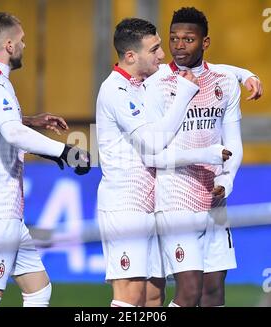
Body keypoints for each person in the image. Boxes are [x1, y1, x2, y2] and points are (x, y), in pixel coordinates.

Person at [95, 17, 238, 307]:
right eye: (157, 48)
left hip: (150, 202)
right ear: (132, 56)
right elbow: (152, 145)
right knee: (130, 297)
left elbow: (208, 68)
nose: (164, 55)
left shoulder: (142, 83)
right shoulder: (116, 91)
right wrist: (185, 96)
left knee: (153, 295)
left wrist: (246, 74)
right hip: (126, 204)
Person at [143, 7, 262, 307]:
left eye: (188, 39)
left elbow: (232, 141)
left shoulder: (223, 82)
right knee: (189, 292)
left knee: (213, 291)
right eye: (174, 39)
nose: (179, 45)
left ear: (205, 42)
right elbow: (154, 152)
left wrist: (227, 179)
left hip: (214, 199)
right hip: (175, 200)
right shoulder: (155, 84)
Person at [0, 12, 90, 307]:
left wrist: (29, 121)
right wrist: (64, 151)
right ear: (9, 46)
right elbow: (11, 132)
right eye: (22, 41)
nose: (25, 46)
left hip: (3, 209)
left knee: (38, 289)